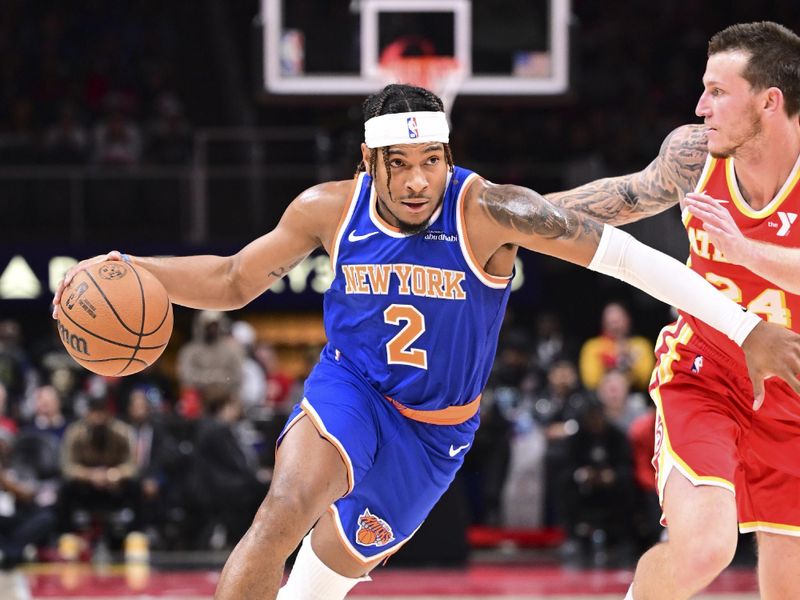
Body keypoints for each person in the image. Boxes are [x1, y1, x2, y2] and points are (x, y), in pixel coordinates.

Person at [53, 83, 800, 600]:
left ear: (448, 156)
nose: (418, 181)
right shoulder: (327, 210)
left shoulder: (491, 211)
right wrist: (133, 266)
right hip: (351, 389)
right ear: (367, 164)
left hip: (434, 437)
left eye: (431, 161)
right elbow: (229, 279)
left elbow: (630, 259)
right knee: (282, 508)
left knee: (326, 576)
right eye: (399, 165)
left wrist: (746, 327)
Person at [546, 21, 800, 600]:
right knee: (706, 546)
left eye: (716, 91)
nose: (699, 105)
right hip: (704, 375)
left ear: (769, 101)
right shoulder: (695, 155)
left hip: (791, 391)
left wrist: (742, 248)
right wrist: (503, 216)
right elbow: (628, 196)